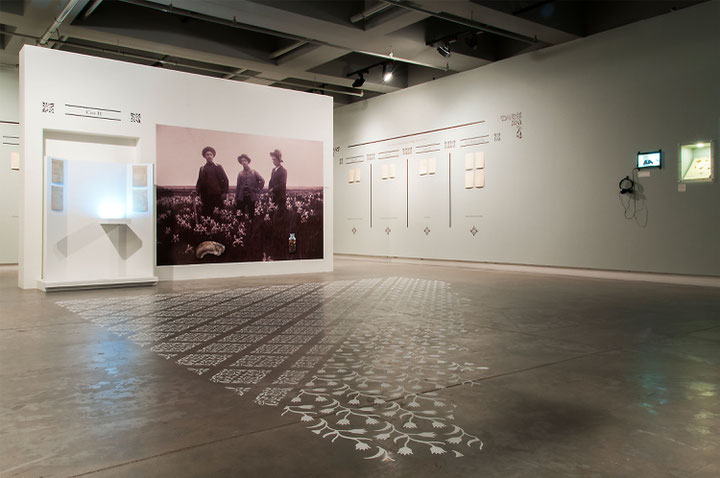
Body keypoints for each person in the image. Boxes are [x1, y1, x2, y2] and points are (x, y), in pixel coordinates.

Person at [195, 146, 229, 217]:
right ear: (204, 156)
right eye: (207, 155)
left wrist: (224, 192)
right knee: (207, 215)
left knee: (219, 214)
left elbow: (225, 180)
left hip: (217, 196)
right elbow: (199, 182)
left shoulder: (218, 167)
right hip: (206, 197)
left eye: (211, 154)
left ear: (213, 156)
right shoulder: (202, 169)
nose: (209, 156)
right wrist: (196, 191)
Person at [234, 154, 265, 220]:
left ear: (248, 162)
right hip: (242, 197)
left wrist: (257, 189)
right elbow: (238, 186)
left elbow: (262, 181)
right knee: (241, 215)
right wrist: (236, 196)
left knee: (251, 214)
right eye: (242, 161)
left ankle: (251, 228)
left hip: (251, 197)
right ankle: (243, 228)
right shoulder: (240, 174)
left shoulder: (253, 172)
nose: (244, 162)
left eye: (245, 161)